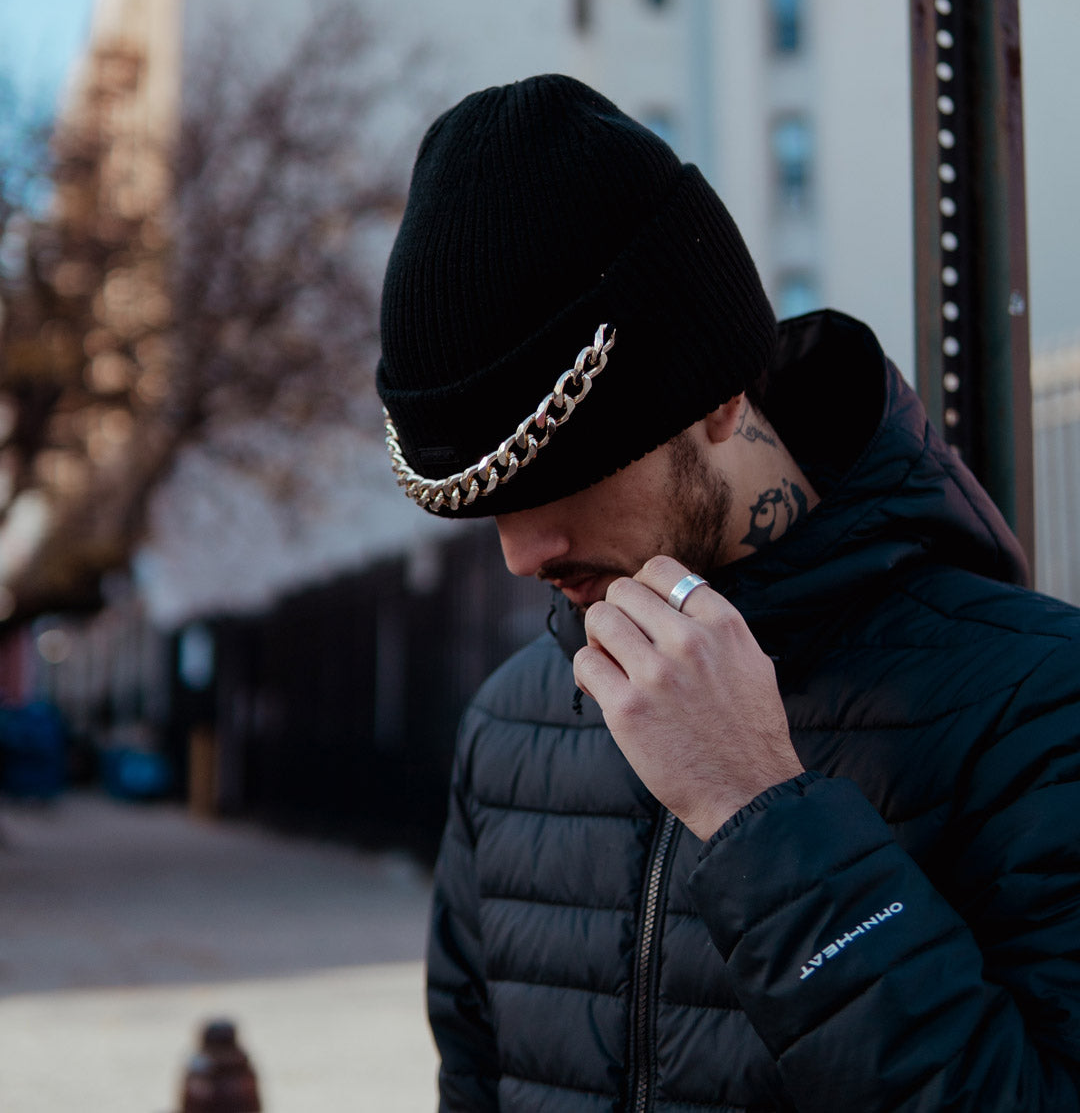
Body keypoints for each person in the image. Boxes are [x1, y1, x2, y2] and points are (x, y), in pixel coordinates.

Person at [376, 74, 1080, 1111]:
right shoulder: (511, 727)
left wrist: (759, 811)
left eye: (566, 475)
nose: (523, 555)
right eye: (491, 506)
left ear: (716, 396)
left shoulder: (1039, 704)